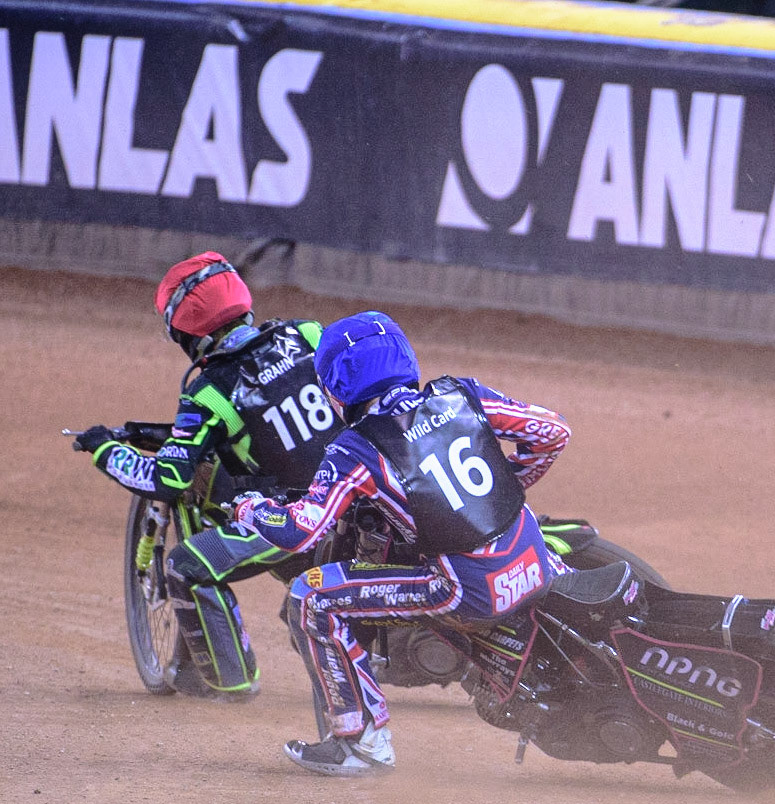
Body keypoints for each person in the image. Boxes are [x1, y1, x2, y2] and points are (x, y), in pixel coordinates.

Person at [230, 311, 572, 775]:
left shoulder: (356, 447)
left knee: (311, 597)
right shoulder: (461, 394)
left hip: (467, 591)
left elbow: (302, 531)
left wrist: (250, 508)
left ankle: (361, 744)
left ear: (337, 387)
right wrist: (504, 484)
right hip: (536, 561)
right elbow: (553, 433)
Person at [72, 252, 334, 699]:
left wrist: (105, 450)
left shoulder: (210, 391)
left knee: (186, 565)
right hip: (370, 499)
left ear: (185, 332)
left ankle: (231, 681)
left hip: (299, 521)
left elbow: (169, 479)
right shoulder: (307, 333)